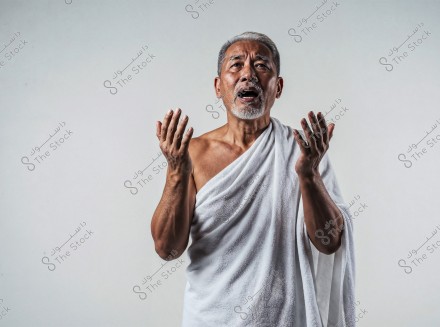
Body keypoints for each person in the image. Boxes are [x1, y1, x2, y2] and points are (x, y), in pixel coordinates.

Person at [151, 31, 356, 326]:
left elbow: (330, 242)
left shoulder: (303, 151)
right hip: (211, 318)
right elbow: (167, 249)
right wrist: (175, 172)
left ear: (278, 86)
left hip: (284, 318)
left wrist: (309, 175)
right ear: (218, 86)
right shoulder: (193, 154)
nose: (248, 74)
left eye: (261, 65)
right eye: (236, 65)